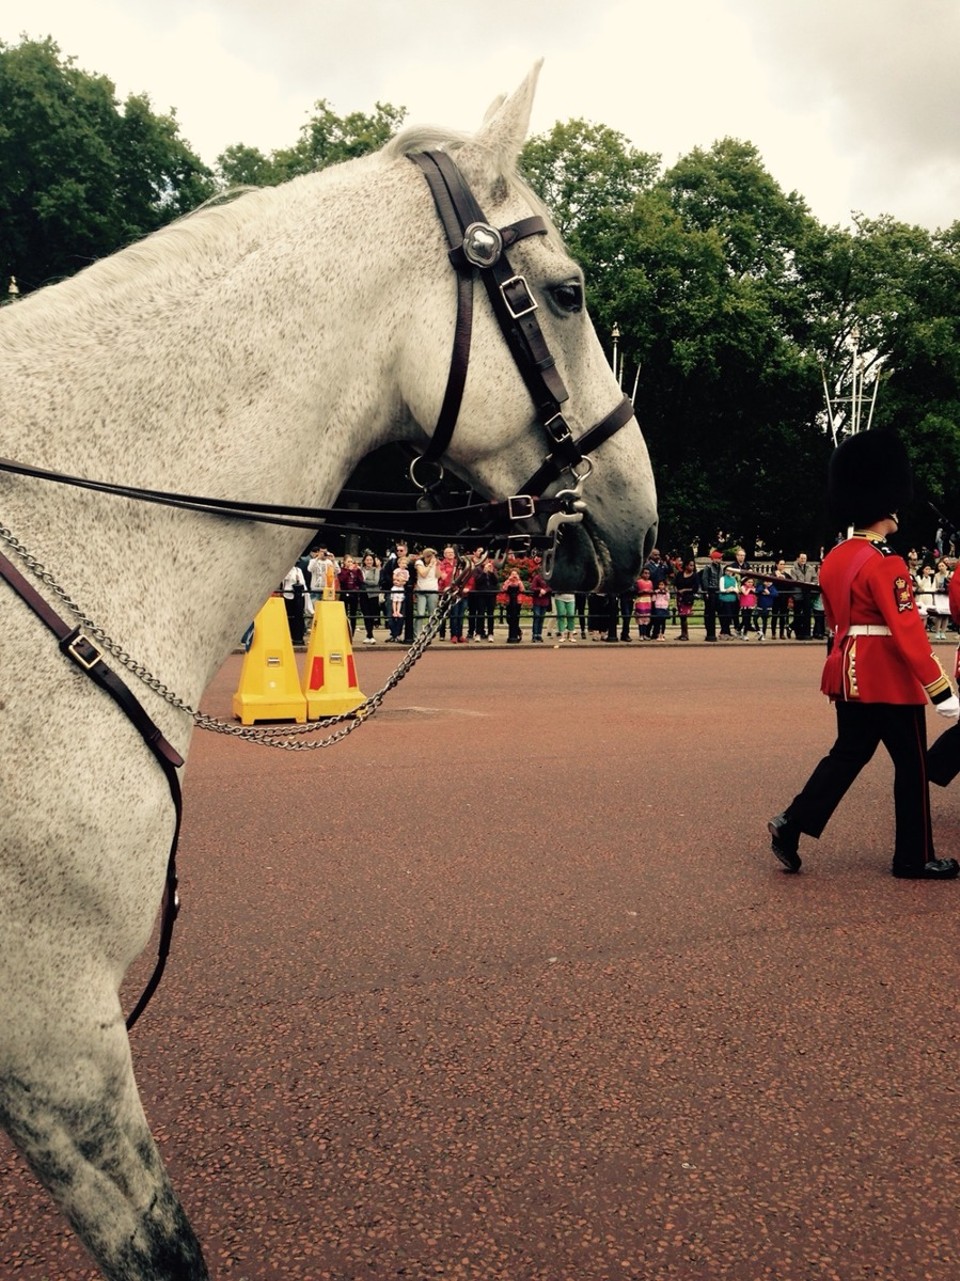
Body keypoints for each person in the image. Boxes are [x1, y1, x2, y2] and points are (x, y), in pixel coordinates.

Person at [767, 431, 960, 880]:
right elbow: (908, 629)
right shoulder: (886, 562)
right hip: (889, 679)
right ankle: (913, 857)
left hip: (849, 672)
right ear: (887, 505)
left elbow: (836, 621)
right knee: (912, 766)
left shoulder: (836, 556)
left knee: (849, 753)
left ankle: (792, 824)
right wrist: (940, 689)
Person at [413, 547, 440, 638]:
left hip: (433, 590)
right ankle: (417, 633)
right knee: (420, 613)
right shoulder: (419, 563)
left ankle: (430, 633)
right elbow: (423, 574)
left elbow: (438, 576)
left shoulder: (435, 563)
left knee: (432, 613)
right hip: (421, 590)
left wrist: (437, 566)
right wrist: (430, 565)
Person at [336, 554, 364, 637]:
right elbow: (342, 580)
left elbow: (361, 581)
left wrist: (358, 571)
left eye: (351, 561)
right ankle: (343, 631)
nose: (350, 563)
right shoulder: (341, 570)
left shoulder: (356, 571)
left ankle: (352, 633)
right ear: (344, 562)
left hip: (353, 593)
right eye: (348, 561)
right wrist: (349, 571)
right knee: (343, 613)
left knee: (353, 613)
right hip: (344, 593)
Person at [280, 563, 307, 645]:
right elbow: (285, 579)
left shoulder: (298, 570)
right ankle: (289, 635)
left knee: (298, 616)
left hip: (298, 595)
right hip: (288, 595)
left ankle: (298, 636)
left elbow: (303, 582)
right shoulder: (285, 570)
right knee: (289, 616)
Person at [699, 550, 722, 641]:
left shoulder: (721, 567)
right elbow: (704, 580)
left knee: (719, 611)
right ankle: (709, 632)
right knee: (709, 612)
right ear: (714, 559)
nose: (721, 559)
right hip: (710, 591)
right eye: (719, 558)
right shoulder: (708, 568)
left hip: (718, 591)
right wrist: (706, 592)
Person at [359, 552, 381, 643]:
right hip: (363, 594)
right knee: (366, 614)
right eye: (367, 560)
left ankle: (370, 634)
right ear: (364, 561)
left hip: (373, 595)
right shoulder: (360, 570)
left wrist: (364, 581)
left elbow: (375, 582)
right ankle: (369, 634)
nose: (369, 562)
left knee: (371, 615)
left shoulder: (376, 570)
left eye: (371, 560)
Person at [528, 562, 552, 643]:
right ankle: (534, 635)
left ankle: (539, 634)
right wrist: (539, 589)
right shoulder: (537, 577)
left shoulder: (548, 578)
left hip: (545, 600)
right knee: (537, 617)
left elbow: (551, 587)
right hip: (537, 600)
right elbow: (532, 587)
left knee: (541, 618)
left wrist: (545, 590)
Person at [674, 559, 698, 641]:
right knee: (681, 616)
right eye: (690, 565)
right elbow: (675, 583)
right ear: (686, 566)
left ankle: (685, 634)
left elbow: (695, 588)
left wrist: (684, 590)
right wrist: (676, 590)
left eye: (693, 565)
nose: (692, 567)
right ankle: (682, 633)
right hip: (680, 597)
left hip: (688, 597)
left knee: (684, 615)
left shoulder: (694, 575)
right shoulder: (680, 574)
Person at [503, 568, 524, 642]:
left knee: (516, 617)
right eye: (512, 574)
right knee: (508, 618)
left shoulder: (519, 582)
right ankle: (518, 631)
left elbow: (522, 590)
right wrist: (509, 581)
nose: (514, 576)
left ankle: (515, 634)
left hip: (517, 602)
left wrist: (518, 581)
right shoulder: (507, 581)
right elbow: (504, 589)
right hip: (509, 601)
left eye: (515, 574)